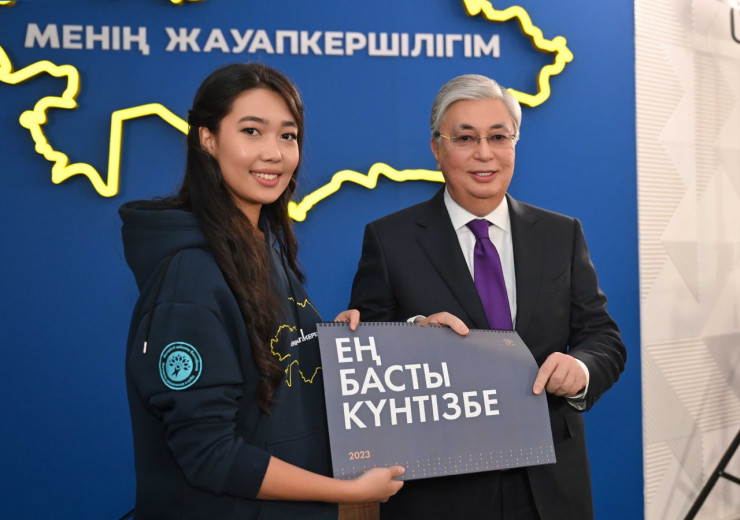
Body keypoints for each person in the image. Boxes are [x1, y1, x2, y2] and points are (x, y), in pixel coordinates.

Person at [119, 63, 403, 520]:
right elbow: (209, 454)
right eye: (251, 131)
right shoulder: (191, 275)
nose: (274, 153)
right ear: (207, 139)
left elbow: (282, 375)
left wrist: (405, 339)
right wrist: (345, 492)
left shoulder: (262, 246)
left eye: (288, 136)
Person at [348, 74, 627, 520]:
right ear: (437, 149)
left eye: (498, 137)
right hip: (442, 491)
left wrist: (579, 368)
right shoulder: (389, 240)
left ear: (514, 144)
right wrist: (413, 336)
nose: (484, 153)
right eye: (465, 138)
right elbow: (366, 356)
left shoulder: (561, 234)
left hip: (550, 486)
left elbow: (603, 339)